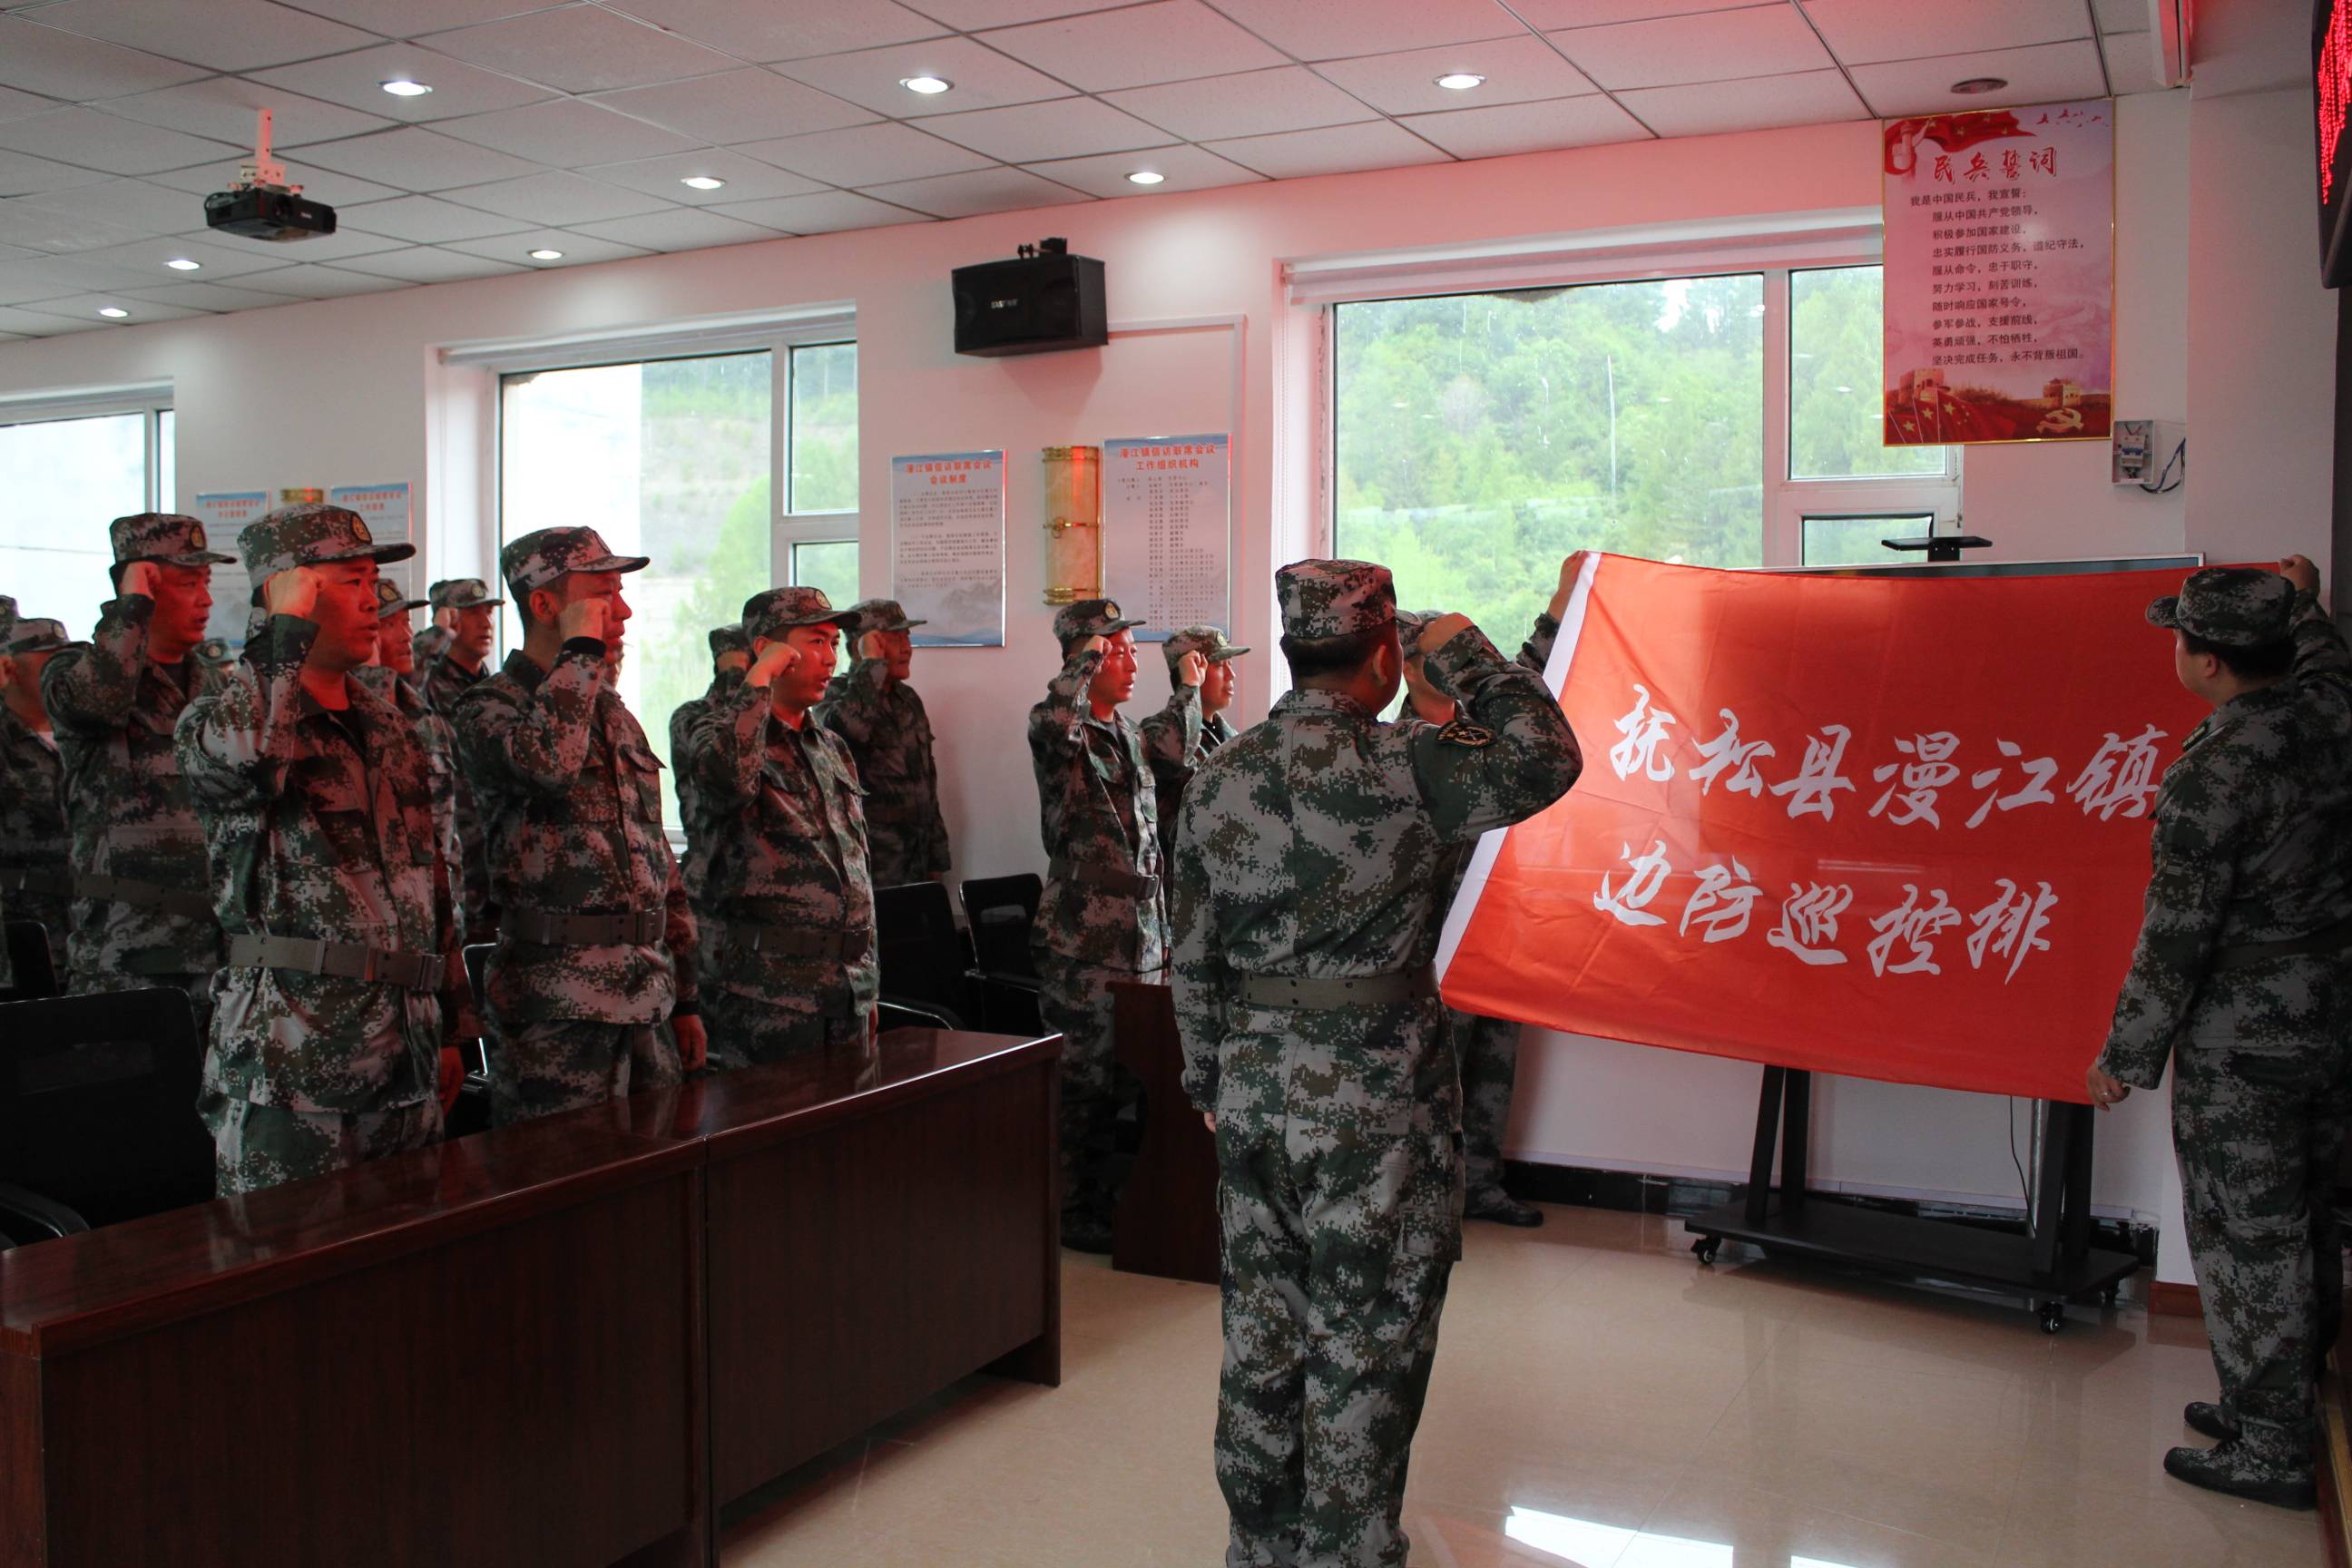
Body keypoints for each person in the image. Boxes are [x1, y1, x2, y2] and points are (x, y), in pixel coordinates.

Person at [1171, 558, 1583, 1568]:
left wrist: (1208, 1080)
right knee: (1368, 1343)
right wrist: (1465, 648)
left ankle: (1258, 1547)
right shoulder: (1412, 764)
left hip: (1257, 1096)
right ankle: (1347, 1552)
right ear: (1386, 652)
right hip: (1376, 1105)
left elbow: (1190, 945)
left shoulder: (1220, 772)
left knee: (1264, 1335)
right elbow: (1548, 753)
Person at [2088, 555, 2352, 1510]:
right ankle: (2273, 1397)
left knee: (2249, 1237)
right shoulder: (2328, 712)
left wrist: (2126, 1055)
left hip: (2245, 1038)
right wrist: (2309, 601)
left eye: (2181, 638)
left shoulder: (2217, 772)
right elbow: (2327, 662)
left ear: (2206, 662)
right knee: (2309, 1210)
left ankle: (2271, 1444)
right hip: (2331, 1010)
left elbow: (2178, 935)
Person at [176, 505, 474, 1193]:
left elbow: (431, 881)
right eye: (350, 581)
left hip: (408, 1057)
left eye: (374, 580)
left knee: (402, 1272)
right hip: (295, 1068)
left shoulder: (389, 724)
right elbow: (252, 761)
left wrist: (455, 1023)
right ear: (291, 592)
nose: (374, 599)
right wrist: (282, 632)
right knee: (288, 1278)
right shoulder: (220, 716)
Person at [451, 527, 704, 1124]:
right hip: (556, 1007)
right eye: (603, 595)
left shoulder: (612, 711)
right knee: (561, 1184)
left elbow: (655, 858)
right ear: (545, 606)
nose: (623, 611)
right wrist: (582, 651)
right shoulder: (489, 707)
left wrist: (688, 992)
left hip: (647, 996)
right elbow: (550, 766)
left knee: (656, 1185)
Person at [1030, 598, 1205, 1253]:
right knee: (1083, 1086)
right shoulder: (1057, 730)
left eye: (1130, 649)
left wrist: (1187, 687)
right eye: (1117, 651)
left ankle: (1113, 1200)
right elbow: (1055, 719)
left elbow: (1180, 750)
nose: (1130, 662)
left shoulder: (1129, 733)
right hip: (1086, 941)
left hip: (1143, 934)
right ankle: (1068, 1210)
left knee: (1133, 1077)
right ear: (1086, 657)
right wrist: (1084, 656)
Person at [43, 513, 233, 1024]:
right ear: (143, 587)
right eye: (188, 583)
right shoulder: (72, 672)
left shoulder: (216, 685)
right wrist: (130, 605)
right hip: (125, 956)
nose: (206, 599)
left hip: (219, 955)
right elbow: (98, 701)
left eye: (206, 583)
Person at [686, 587, 877, 1065]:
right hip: (767, 995)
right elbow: (729, 777)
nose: (830, 658)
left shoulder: (829, 746)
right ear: (765, 651)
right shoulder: (716, 733)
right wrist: (760, 680)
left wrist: (870, 986)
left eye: (834, 643)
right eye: (815, 642)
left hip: (846, 989)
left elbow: (857, 874)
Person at [818, 598, 951, 888]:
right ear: (863, 647)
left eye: (907, 637)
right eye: (893, 639)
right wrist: (871, 667)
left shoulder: (909, 699)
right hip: (868, 863)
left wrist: (936, 858)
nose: (906, 648)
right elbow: (850, 731)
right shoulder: (832, 697)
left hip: (915, 859)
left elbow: (926, 784)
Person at [356, 577, 464, 897]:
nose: (406, 635)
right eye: (389, 624)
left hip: (441, 905)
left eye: (407, 623)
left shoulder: (419, 711)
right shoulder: (345, 716)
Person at [0, 616, 82, 980]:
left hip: (90, 933)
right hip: (22, 935)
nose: (61, 669)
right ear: (10, 669)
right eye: (48, 658)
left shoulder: (82, 734)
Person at [423, 576, 501, 941]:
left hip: (495, 867)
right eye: (472, 614)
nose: (486, 623)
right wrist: (437, 635)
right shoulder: (423, 687)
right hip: (451, 862)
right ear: (450, 620)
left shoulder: (496, 690)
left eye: (488, 612)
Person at [1139, 624, 1245, 876]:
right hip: (1185, 883)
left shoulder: (1230, 737)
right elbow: (1176, 755)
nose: (1231, 675)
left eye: (1231, 664)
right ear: (1193, 670)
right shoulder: (1158, 732)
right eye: (1220, 665)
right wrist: (1189, 687)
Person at [671, 622, 750, 956]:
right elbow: (724, 764)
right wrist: (737, 678)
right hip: (710, 883)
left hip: (753, 884)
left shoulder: (765, 720)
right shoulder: (692, 717)